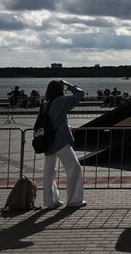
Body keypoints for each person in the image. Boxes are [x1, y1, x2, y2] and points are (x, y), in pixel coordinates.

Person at [42, 80, 86, 209]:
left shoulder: (45, 104)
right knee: (74, 168)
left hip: (47, 142)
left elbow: (53, 121)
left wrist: (67, 127)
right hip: (60, 142)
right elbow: (80, 94)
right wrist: (68, 85)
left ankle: (50, 201)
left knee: (49, 172)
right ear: (59, 90)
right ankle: (74, 200)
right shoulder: (60, 101)